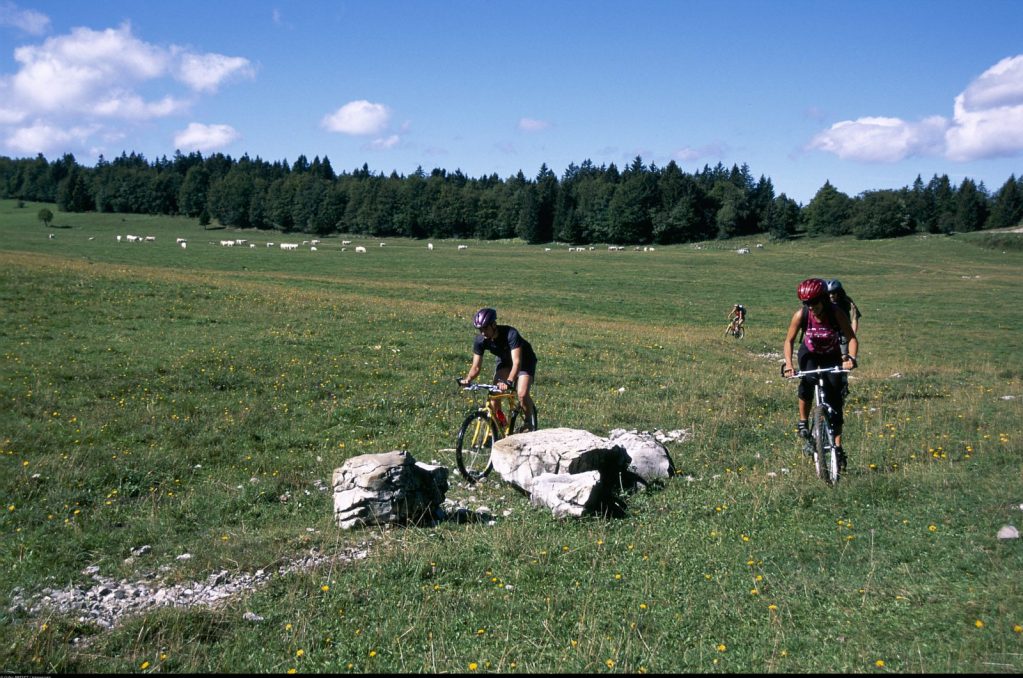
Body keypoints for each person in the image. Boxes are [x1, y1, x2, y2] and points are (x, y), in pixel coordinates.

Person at [782, 278, 858, 469]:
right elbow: (789, 341)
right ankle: (803, 421)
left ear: (823, 298)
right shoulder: (801, 315)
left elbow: (851, 337)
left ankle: (837, 448)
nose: (811, 306)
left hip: (831, 354)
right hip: (809, 353)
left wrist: (851, 358)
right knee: (807, 380)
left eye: (814, 302)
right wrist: (789, 364)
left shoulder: (836, 313)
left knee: (835, 398)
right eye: (806, 303)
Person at [457, 307, 538, 432]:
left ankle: (529, 422)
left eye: (485, 328)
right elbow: (476, 366)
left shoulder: (511, 334)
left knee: (522, 393)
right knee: (494, 395)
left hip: (524, 361)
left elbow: (517, 362)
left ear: (494, 325)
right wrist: (468, 379)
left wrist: (509, 381)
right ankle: (501, 427)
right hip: (505, 361)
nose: (483, 332)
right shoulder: (480, 340)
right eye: (480, 329)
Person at [826, 279, 861, 354]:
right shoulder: (824, 302)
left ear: (838, 292)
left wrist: (852, 336)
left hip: (843, 334)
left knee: (843, 356)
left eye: (833, 293)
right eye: (829, 293)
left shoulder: (846, 301)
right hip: (827, 333)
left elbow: (854, 318)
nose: (831, 295)